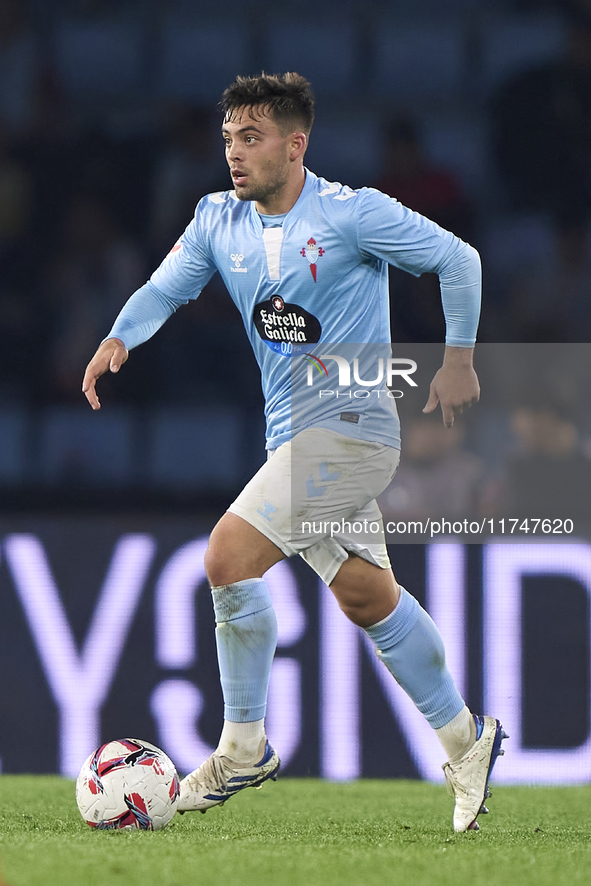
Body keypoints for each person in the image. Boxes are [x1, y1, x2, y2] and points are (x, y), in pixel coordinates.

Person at [82, 73, 506, 833]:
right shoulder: (217, 219)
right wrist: (119, 336)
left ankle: (242, 747)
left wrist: (459, 359)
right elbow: (161, 290)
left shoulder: (353, 214)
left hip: (353, 431)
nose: (234, 154)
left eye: (250, 139)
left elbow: (460, 261)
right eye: (227, 140)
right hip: (292, 440)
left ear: (293, 143)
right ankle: (466, 741)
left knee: (225, 556)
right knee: (367, 598)